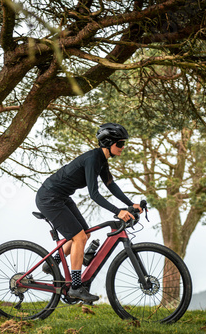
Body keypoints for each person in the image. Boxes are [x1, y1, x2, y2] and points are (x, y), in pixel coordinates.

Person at [35, 122, 142, 302]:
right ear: (108, 143)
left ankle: (51, 263)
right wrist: (118, 211)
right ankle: (76, 287)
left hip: (61, 197)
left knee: (84, 233)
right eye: (121, 144)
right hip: (49, 197)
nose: (123, 148)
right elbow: (94, 194)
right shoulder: (93, 159)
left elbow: (111, 185)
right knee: (79, 237)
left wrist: (130, 204)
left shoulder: (101, 160)